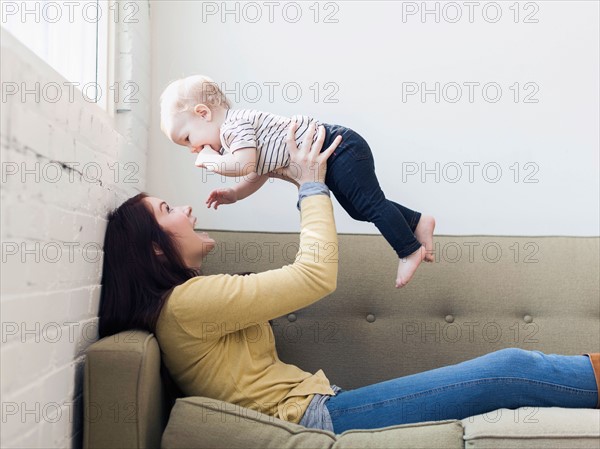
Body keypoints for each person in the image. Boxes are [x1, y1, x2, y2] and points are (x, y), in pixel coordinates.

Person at [98, 122, 600, 435]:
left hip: (324, 408)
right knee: (505, 369)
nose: (186, 208)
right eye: (168, 209)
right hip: (319, 422)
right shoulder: (188, 305)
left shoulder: (191, 303)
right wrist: (312, 186)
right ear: (153, 246)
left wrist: (282, 176)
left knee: (506, 369)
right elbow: (315, 276)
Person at [159, 74, 436, 288]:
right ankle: (417, 221)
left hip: (339, 148)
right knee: (359, 209)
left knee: (370, 205)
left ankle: (408, 249)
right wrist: (234, 194)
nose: (192, 149)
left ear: (203, 113)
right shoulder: (238, 140)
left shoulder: (234, 126)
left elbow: (245, 165)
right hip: (335, 156)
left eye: (187, 139)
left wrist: (209, 160)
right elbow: (258, 172)